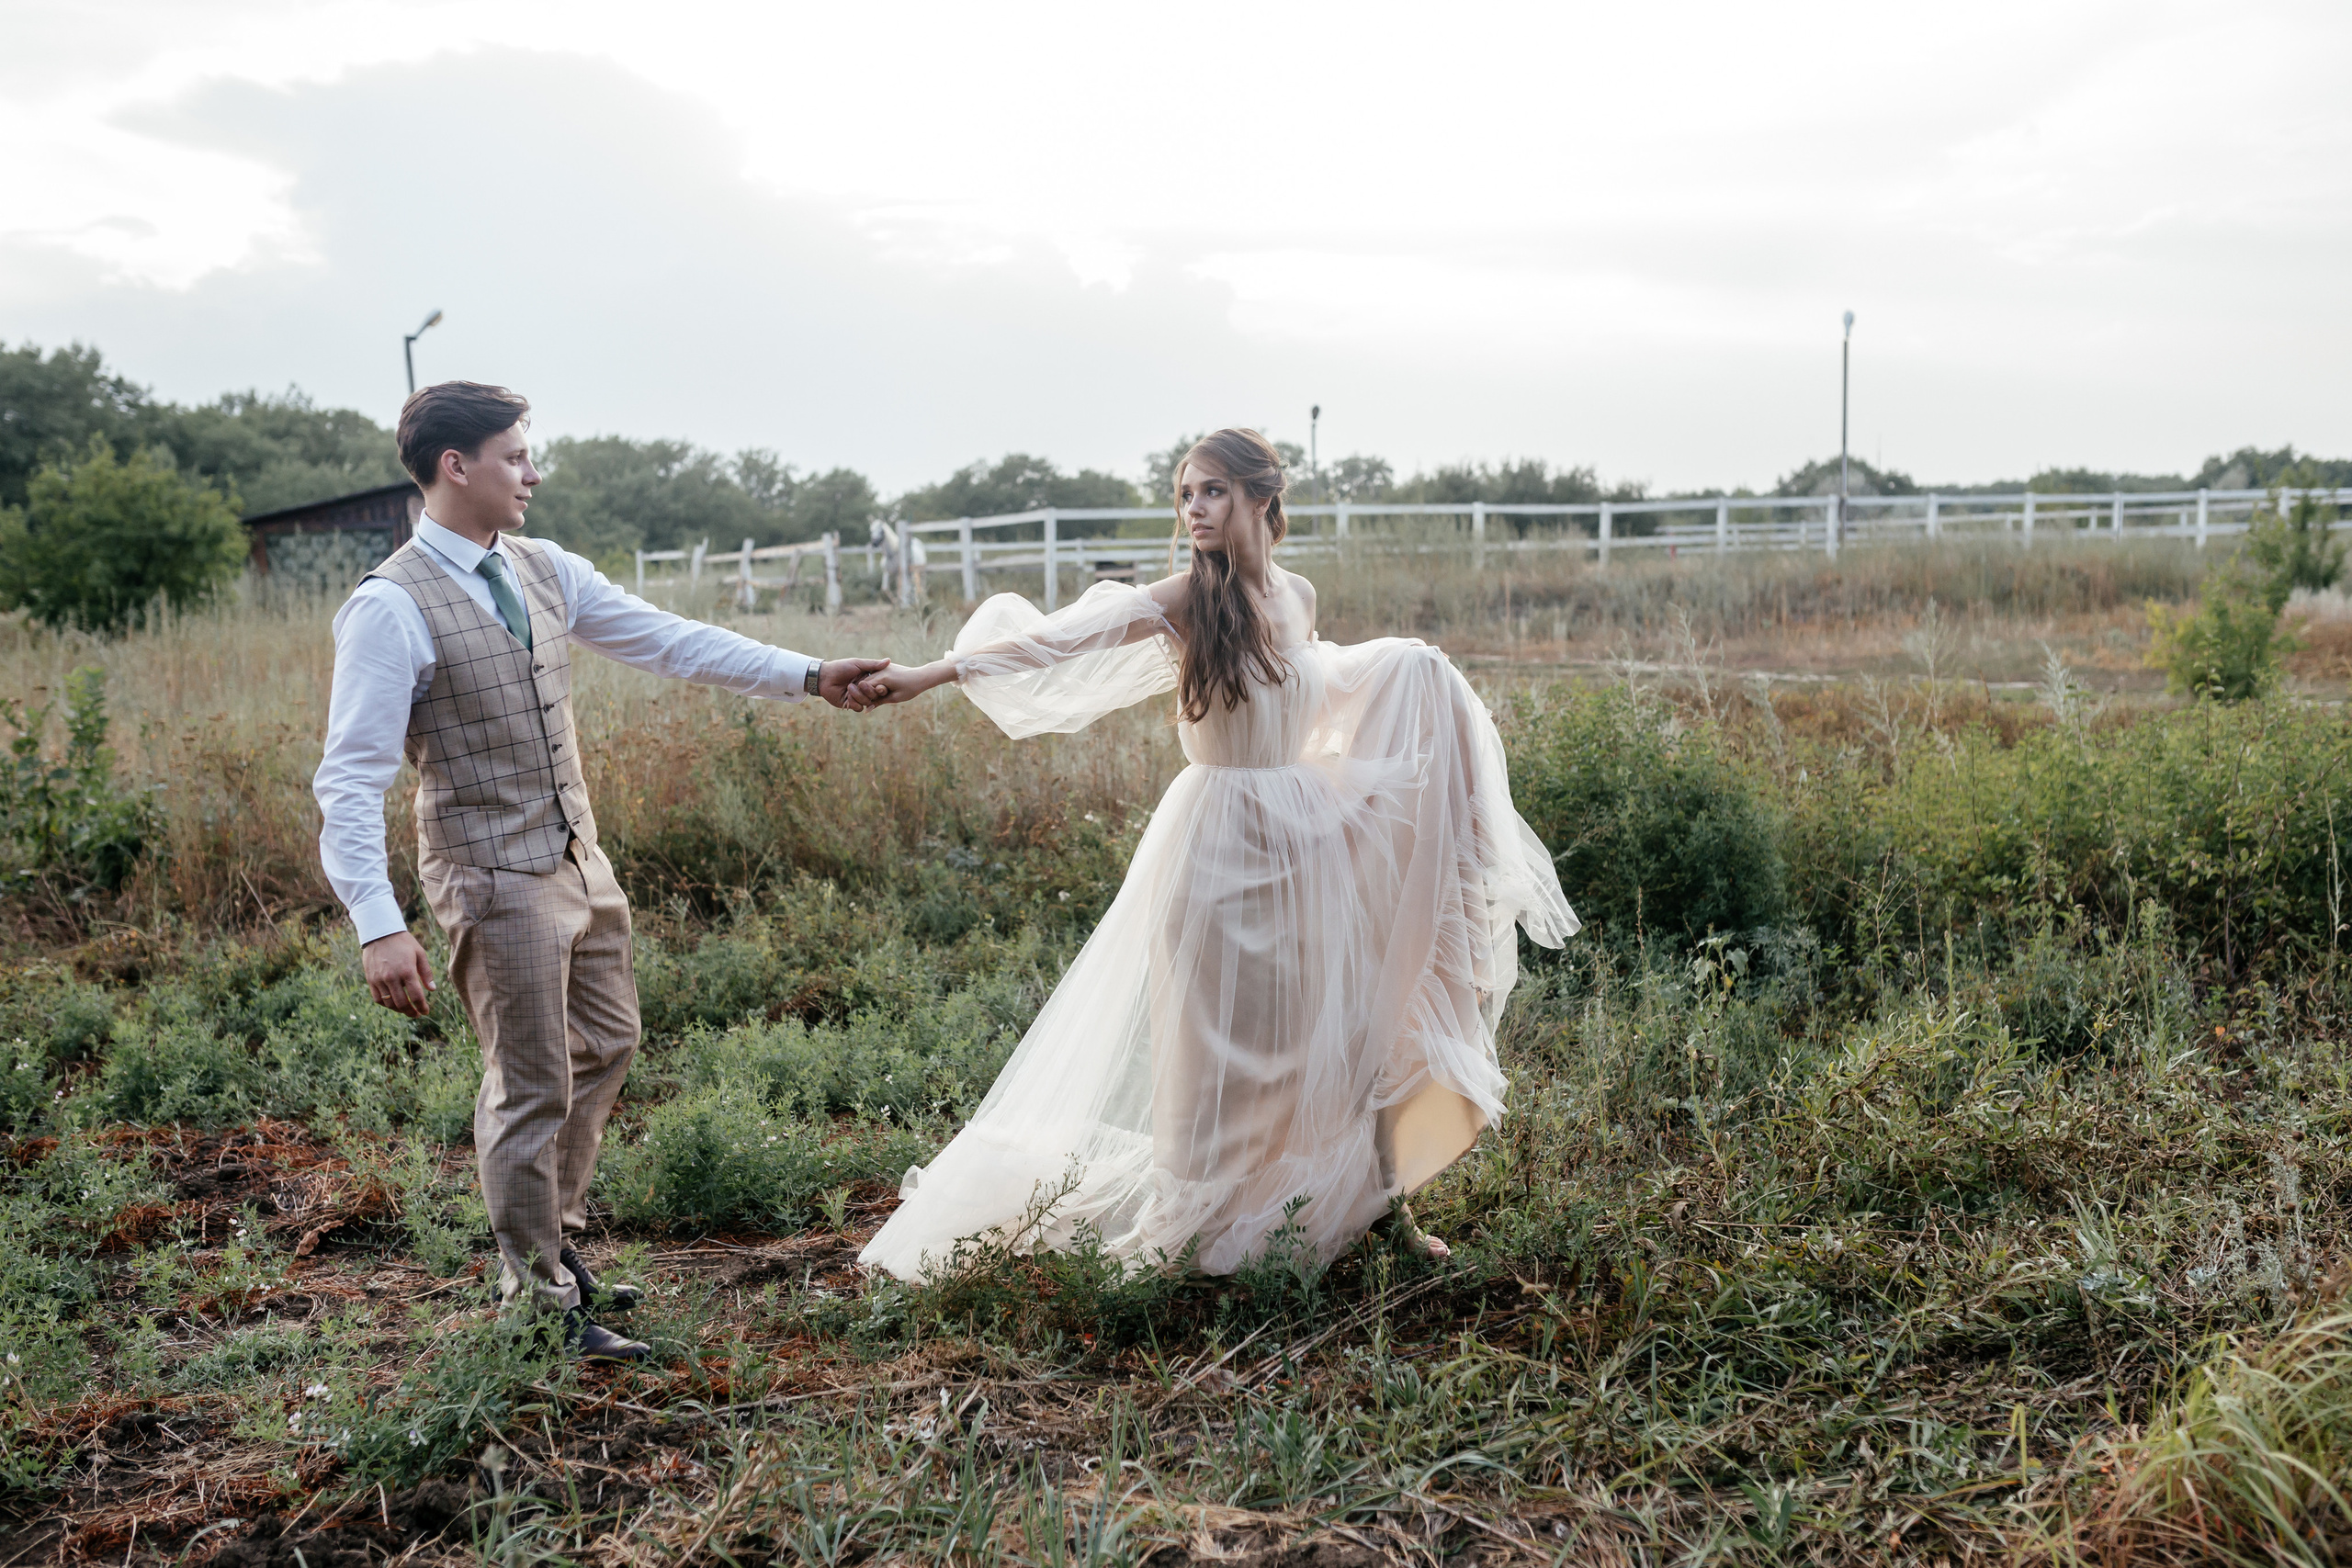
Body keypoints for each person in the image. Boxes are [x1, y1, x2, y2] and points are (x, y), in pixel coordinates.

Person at [853, 429, 1577, 1281]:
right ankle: (1194, 1228)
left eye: (1212, 492)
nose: (1194, 509)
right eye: (1186, 495)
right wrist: (934, 673)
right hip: (1217, 844)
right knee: (1217, 1055)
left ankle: (1377, 1214)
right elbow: (1068, 638)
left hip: (1306, 839)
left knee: (1336, 1037)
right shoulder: (1190, 598)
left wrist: (1416, 673)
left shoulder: (1298, 593)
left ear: (1263, 499)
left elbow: (1315, 681)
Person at [314, 381, 888, 1360]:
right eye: (514, 455)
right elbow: (350, 776)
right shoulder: (389, 607)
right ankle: (536, 1305)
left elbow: (668, 640)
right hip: (491, 875)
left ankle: (553, 1247)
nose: (532, 472)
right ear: (457, 468)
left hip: (579, 859)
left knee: (609, 1043)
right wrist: (377, 922)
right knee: (530, 1082)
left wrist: (805, 672)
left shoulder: (543, 567)